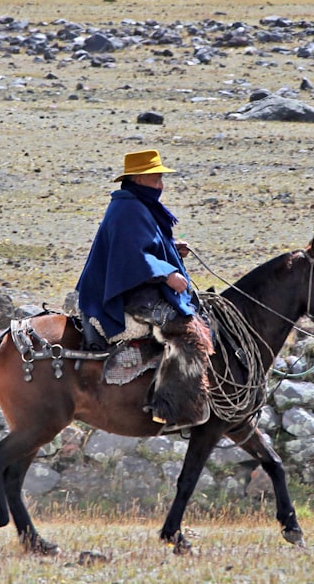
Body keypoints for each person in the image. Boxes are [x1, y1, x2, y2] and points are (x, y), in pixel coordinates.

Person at [76, 149, 212, 427]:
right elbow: (132, 256)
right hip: (129, 293)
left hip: (135, 285)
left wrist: (171, 249)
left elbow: (143, 244)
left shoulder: (134, 204)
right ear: (139, 178)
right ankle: (170, 409)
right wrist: (167, 274)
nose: (160, 184)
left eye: (160, 177)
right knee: (189, 332)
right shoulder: (128, 209)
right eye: (156, 177)